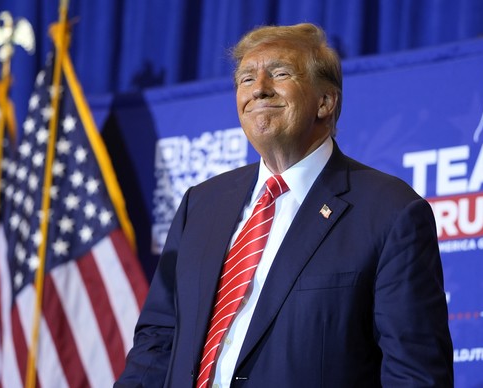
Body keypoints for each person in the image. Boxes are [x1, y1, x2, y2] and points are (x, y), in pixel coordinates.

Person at [116, 23, 453, 387]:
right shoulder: (201, 204)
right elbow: (158, 339)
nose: (258, 88)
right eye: (246, 79)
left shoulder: (389, 211)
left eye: (279, 73)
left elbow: (415, 374)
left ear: (325, 102)